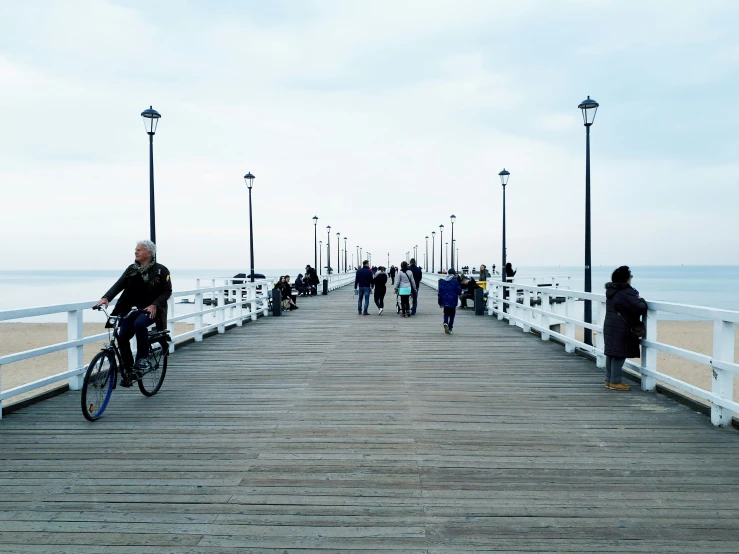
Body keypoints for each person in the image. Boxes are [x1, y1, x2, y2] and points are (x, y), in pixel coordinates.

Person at [93, 240, 172, 385]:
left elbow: (167, 291)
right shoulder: (132, 269)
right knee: (122, 337)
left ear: (149, 253)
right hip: (131, 309)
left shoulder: (161, 270)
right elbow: (119, 284)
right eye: (136, 250)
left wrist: (154, 305)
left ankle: (143, 358)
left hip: (150, 309)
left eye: (139, 250)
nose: (136, 252)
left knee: (140, 324)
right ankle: (129, 369)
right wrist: (106, 298)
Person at [603, 266, 647, 391]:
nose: (631, 279)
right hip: (621, 326)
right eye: (630, 276)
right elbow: (640, 307)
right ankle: (615, 382)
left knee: (611, 353)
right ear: (626, 279)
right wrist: (642, 301)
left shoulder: (611, 291)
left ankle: (609, 380)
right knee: (618, 353)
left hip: (610, 325)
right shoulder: (625, 292)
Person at [438, 267, 462, 334]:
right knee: (452, 315)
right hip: (453, 301)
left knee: (446, 313)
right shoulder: (455, 281)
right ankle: (450, 328)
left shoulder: (442, 281)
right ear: (454, 274)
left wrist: (440, 302)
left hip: (444, 300)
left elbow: (440, 293)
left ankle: (445, 323)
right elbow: (459, 291)